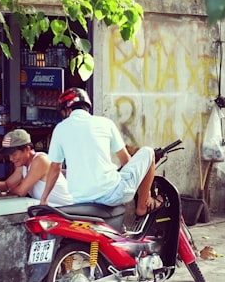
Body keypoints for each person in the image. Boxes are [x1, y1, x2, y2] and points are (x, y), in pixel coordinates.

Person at [39, 87, 159, 217]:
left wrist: (44, 198)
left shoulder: (60, 129)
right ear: (87, 107)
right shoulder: (105, 123)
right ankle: (143, 206)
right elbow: (126, 161)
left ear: (67, 110)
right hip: (111, 195)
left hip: (81, 201)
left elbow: (55, 168)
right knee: (148, 152)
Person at [0, 129, 74, 205]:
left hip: (65, 210)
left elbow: (21, 192)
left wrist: (6, 191)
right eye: (9, 156)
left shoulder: (40, 160)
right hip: (48, 208)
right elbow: (7, 185)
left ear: (27, 149)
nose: (11, 159)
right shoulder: (22, 164)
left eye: (14, 154)